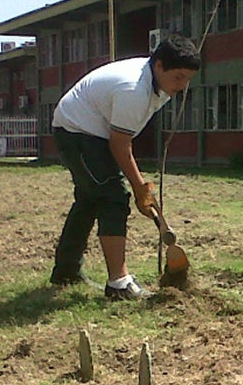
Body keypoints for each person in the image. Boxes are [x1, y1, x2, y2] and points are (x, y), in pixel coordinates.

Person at [48, 35, 200, 300]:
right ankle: (119, 284)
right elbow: (120, 145)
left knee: (88, 199)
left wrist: (141, 187)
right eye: (179, 77)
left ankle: (66, 271)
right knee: (114, 198)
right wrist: (140, 188)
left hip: (90, 130)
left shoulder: (159, 83)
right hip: (77, 132)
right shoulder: (134, 89)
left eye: (188, 78)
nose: (183, 85)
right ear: (160, 66)